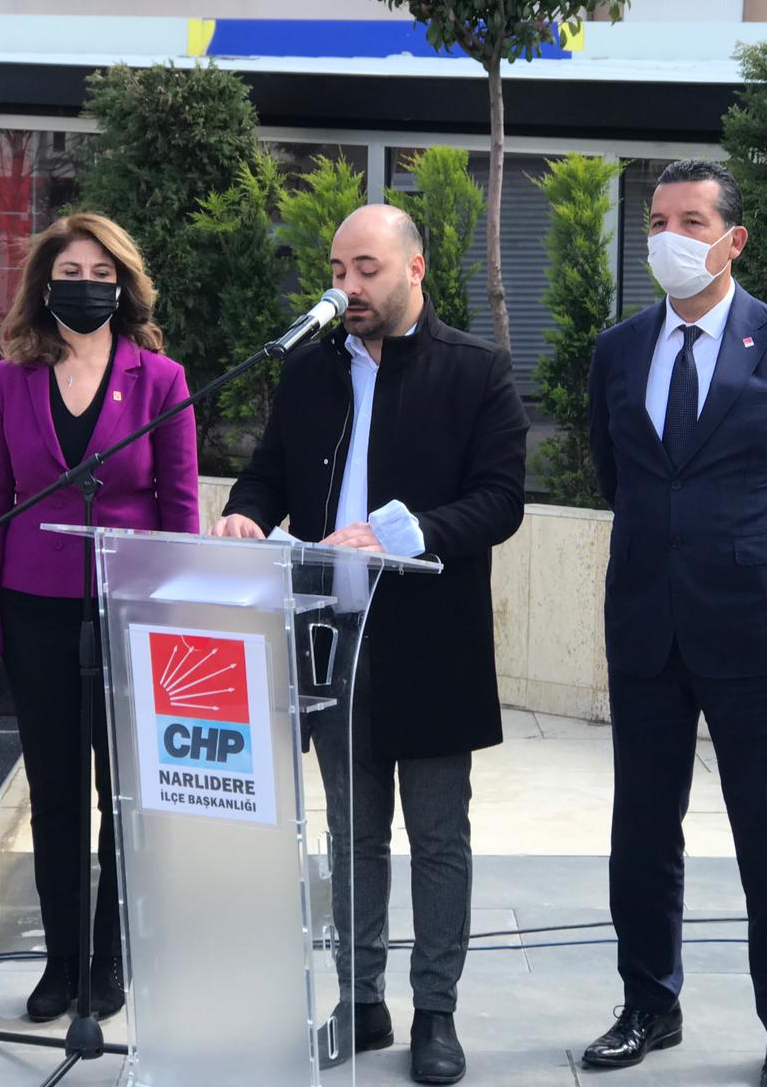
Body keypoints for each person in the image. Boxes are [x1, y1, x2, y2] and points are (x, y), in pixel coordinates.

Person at [214, 204, 527, 1085]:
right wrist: (245, 511)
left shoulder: (476, 370)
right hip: (331, 642)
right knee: (352, 836)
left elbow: (502, 499)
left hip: (431, 644)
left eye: (366, 269)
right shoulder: (311, 369)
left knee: (437, 835)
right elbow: (269, 470)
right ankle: (360, 1001)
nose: (346, 286)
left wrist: (406, 532)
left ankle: (436, 1012)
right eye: (337, 269)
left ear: (414, 270)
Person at [583, 160, 767, 1087]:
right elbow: (616, 475)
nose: (670, 236)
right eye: (659, 220)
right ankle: (648, 1004)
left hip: (754, 629)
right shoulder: (620, 349)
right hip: (645, 625)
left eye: (692, 221)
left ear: (733, 239)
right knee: (642, 830)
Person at [0, 213, 200, 1023]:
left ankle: (111, 959)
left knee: (124, 797)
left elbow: (180, 512)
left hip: (129, 613)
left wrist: (174, 629)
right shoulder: (9, 380)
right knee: (56, 795)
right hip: (33, 613)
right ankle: (62, 963)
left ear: (123, 285)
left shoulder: (161, 379)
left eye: (103, 274)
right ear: (45, 283)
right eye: (72, 272)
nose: (88, 286)